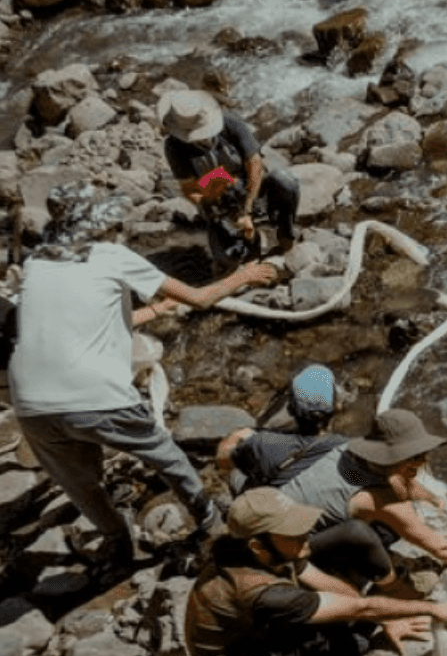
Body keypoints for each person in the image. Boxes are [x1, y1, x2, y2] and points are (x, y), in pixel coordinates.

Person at [8, 187, 277, 566]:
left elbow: (79, 326)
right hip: (94, 396)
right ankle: (209, 521)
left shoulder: (36, 263)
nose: (118, 231)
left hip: (31, 403)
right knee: (166, 456)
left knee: (82, 484)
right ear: (100, 227)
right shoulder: (111, 255)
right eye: (113, 224)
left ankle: (117, 543)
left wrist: (157, 311)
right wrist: (244, 277)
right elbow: (200, 299)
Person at [183, 487, 447, 656]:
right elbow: (359, 610)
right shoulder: (259, 590)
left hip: (252, 640)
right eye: (292, 532)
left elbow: (340, 595)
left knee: (342, 611)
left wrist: (383, 617)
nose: (305, 535)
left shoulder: (264, 552)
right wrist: (433, 609)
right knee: (339, 644)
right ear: (258, 545)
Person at [272, 406, 447, 587]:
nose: (423, 461)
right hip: (284, 550)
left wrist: (431, 498)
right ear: (388, 456)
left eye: (422, 453)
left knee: (383, 527)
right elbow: (442, 548)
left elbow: (395, 479)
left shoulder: (343, 448)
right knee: (380, 534)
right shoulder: (379, 501)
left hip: (269, 510)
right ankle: (385, 588)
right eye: (414, 456)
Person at [158, 89, 300, 265]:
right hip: (218, 202)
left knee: (285, 180)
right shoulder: (173, 146)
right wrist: (208, 197)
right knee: (227, 259)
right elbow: (189, 189)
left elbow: (255, 166)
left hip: (251, 187)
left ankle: (285, 234)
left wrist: (247, 207)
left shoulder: (231, 123)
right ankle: (248, 239)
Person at [217, 363, 346, 491]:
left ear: (290, 408)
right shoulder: (345, 449)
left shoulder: (263, 444)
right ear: (337, 407)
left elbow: (224, 454)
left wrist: (244, 435)